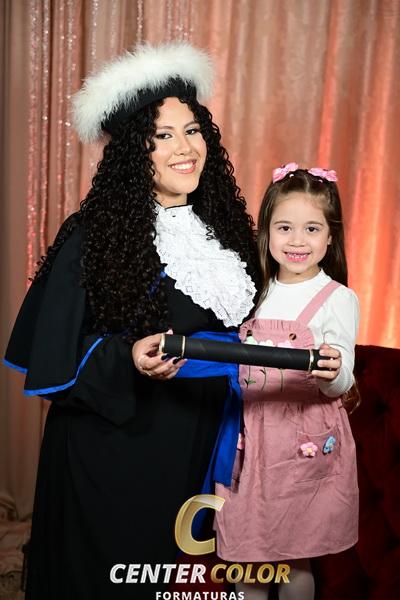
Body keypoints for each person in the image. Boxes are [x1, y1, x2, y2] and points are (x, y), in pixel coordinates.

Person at [3, 42, 260, 599]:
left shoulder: (226, 230)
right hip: (117, 453)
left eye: (192, 131)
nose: (185, 148)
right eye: (162, 136)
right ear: (132, 153)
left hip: (200, 441)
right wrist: (128, 357)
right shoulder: (94, 233)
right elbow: (55, 355)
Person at [214, 163, 360, 600]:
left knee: (294, 558)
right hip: (250, 438)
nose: (297, 241)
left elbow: (343, 380)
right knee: (246, 556)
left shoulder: (338, 298)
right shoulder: (253, 291)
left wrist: (333, 371)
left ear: (330, 237)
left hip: (302, 443)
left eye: (312, 229)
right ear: (266, 233)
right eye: (285, 228)